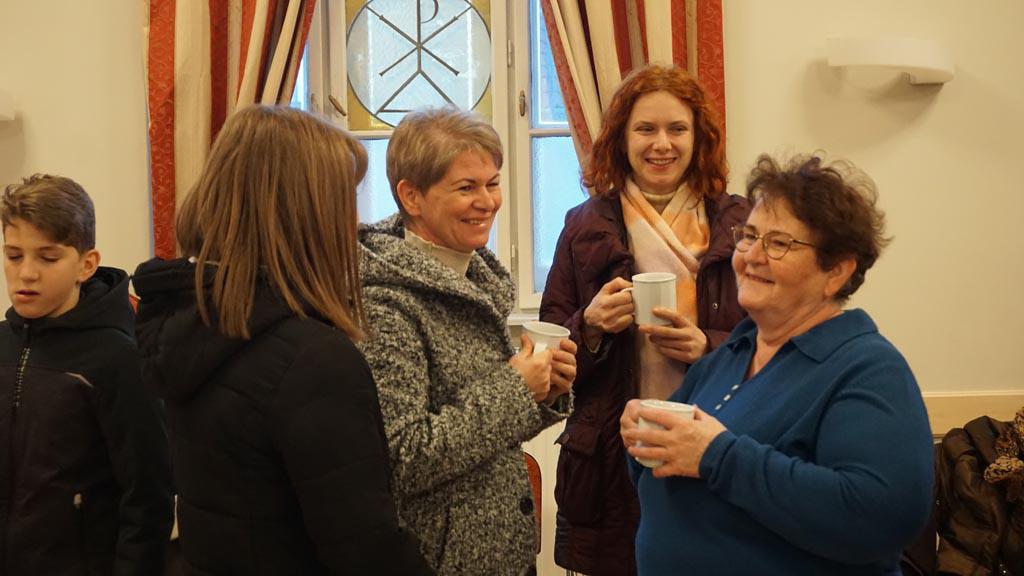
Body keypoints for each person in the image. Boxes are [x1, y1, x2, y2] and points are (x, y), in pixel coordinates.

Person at [132, 105, 432, 575]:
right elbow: (365, 550)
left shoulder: (192, 322)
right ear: (307, 216)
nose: (355, 223)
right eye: (346, 201)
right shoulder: (312, 361)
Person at [619, 153, 934, 575]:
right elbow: (670, 467)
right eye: (749, 236)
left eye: (779, 243)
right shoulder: (732, 353)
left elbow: (881, 516)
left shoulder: (868, 369)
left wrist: (717, 456)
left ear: (837, 271)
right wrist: (643, 439)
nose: (751, 255)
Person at [539, 63, 750, 574]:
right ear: (621, 138)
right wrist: (590, 326)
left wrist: (708, 346)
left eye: (677, 129)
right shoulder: (584, 224)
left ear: (698, 138)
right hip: (613, 456)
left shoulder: (741, 223)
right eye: (645, 129)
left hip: (718, 442)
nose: (662, 144)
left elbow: (776, 343)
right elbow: (546, 353)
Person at [357, 106, 577, 575]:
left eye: (492, 183)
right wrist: (516, 389)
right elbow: (405, 457)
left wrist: (544, 392)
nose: (488, 201)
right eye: (466, 188)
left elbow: (483, 431)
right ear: (411, 196)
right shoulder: (385, 303)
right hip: (440, 561)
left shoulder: (473, 277)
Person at [0, 174, 174, 575]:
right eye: (14, 255)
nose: (26, 273)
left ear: (86, 264)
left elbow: (148, 497)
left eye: (48, 258)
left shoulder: (117, 358)